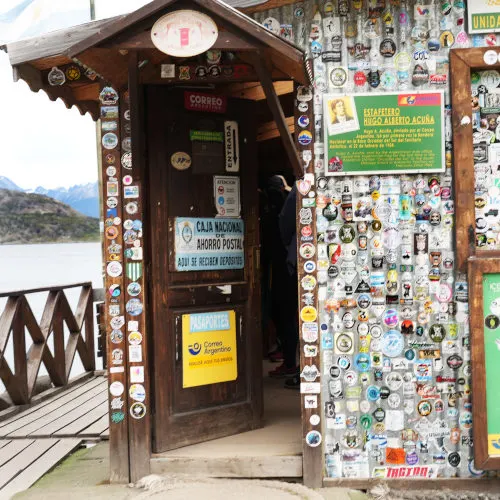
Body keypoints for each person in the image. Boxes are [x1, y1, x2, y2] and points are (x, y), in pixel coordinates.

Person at [268, 183, 299, 388]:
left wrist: (291, 249)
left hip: (298, 260)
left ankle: (296, 365)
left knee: (295, 314)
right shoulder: (298, 188)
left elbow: (285, 222)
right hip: (299, 258)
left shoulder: (299, 187)